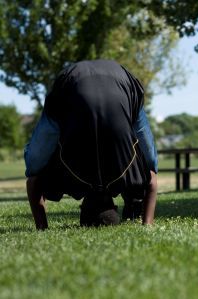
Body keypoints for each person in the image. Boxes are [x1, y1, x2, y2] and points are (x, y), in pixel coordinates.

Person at [25, 59, 158, 229]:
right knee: (35, 163)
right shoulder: (69, 174)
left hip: (119, 81)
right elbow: (33, 181)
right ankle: (136, 205)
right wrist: (33, 169)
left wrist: (150, 166)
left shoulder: (124, 174)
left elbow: (151, 180)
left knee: (145, 161)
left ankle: (135, 203)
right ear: (83, 207)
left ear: (114, 206)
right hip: (75, 82)